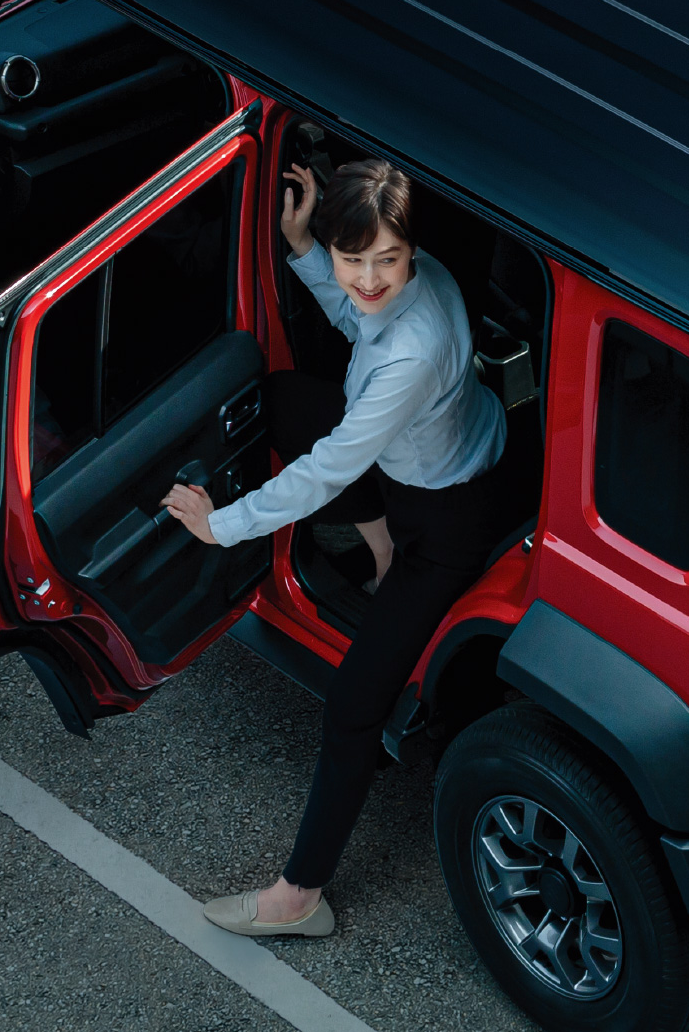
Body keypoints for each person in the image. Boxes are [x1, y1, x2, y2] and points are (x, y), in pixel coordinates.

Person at [164, 158, 506, 937]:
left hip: (447, 522)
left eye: (386, 258)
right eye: (355, 259)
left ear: (410, 247)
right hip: (433, 458)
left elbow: (328, 470)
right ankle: (380, 554)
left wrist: (220, 525)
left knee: (355, 705)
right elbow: (360, 321)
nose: (371, 277)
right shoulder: (421, 282)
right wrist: (305, 252)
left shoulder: (410, 356)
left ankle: (300, 896)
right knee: (285, 401)